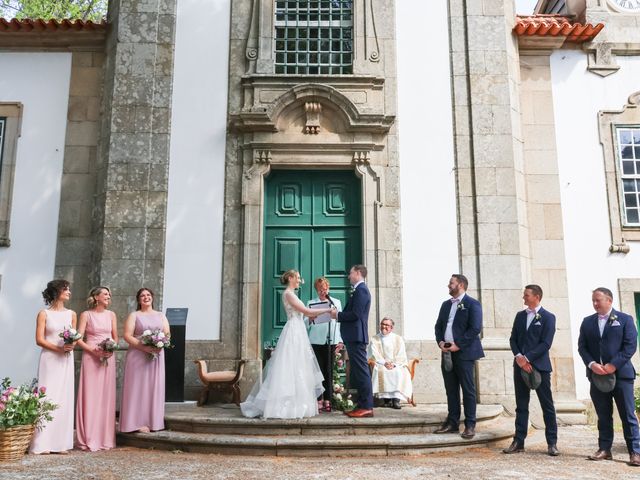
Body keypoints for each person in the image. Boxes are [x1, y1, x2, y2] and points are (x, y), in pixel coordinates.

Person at [241, 269, 332, 418]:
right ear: (290, 278)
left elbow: (306, 314)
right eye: (297, 278)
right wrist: (328, 309)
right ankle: (284, 405)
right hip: (293, 332)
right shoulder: (288, 294)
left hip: (298, 331)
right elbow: (307, 311)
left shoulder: (292, 294)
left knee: (298, 367)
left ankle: (297, 404)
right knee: (290, 366)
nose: (299, 280)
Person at [577, 287, 640, 467]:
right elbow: (582, 347)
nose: (595, 304)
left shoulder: (625, 320)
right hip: (597, 376)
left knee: (628, 415)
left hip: (621, 376)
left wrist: (613, 364)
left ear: (609, 300)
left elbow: (630, 346)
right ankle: (605, 449)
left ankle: (635, 452)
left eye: (598, 300)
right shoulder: (587, 322)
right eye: (593, 301)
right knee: (603, 415)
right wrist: (592, 364)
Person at [503, 285, 559, 456]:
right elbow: (513, 339)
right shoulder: (520, 316)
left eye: (526, 295)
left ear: (537, 296)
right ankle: (518, 441)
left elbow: (546, 343)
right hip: (519, 367)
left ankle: (552, 443)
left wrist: (528, 359)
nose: (524, 298)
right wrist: (519, 358)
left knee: (547, 405)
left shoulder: (549, 317)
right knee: (521, 406)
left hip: (539, 367)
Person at [434, 274, 484, 439]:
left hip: (464, 353)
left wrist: (458, 344)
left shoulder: (472, 304)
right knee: (451, 389)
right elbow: (439, 326)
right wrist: (441, 342)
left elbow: (475, 328)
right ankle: (452, 422)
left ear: (460, 285)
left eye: (451, 283)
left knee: (468, 390)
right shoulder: (445, 305)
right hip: (447, 352)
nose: (448, 285)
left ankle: (470, 425)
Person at [30, 279, 77, 454]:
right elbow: (39, 340)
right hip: (49, 359)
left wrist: (71, 345)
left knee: (64, 397)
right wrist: (58, 348)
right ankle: (42, 443)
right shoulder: (44, 314)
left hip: (66, 359)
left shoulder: (72, 313)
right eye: (66, 289)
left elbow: (74, 336)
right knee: (47, 397)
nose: (69, 292)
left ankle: (60, 443)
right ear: (57, 292)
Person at [119, 287, 170, 433]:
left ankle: (153, 421)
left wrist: (161, 343)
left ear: (152, 297)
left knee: (154, 387)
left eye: (148, 295)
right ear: (138, 299)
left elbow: (167, 334)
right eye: (142, 295)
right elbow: (128, 336)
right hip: (138, 355)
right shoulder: (134, 315)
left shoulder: (161, 315)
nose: (146, 297)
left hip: (157, 355)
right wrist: (144, 347)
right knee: (137, 388)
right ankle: (135, 423)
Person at [75, 286, 118, 451]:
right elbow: (79, 338)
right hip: (91, 355)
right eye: (106, 294)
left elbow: (115, 337)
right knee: (90, 395)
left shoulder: (111, 315)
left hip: (107, 356)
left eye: (109, 294)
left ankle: (104, 437)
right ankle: (88, 437)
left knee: (106, 396)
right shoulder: (86, 315)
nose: (109, 296)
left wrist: (110, 348)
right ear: (96, 297)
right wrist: (93, 350)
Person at [330, 264, 374, 418]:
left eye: (350, 273)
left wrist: (338, 315)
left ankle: (367, 406)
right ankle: (362, 404)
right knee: (359, 371)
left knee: (362, 372)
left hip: (357, 337)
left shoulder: (361, 291)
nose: (348, 276)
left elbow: (356, 314)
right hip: (354, 337)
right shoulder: (359, 290)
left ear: (357, 273)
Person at [305, 276, 343, 413]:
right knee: (317, 372)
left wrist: (340, 340)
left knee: (328, 371)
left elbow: (339, 323)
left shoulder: (336, 302)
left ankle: (328, 400)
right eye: (320, 289)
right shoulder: (311, 303)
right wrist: (310, 318)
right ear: (317, 290)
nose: (323, 291)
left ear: (329, 289)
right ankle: (318, 400)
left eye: (325, 289)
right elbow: (305, 322)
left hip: (331, 341)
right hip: (316, 340)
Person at [368, 317, 412, 409]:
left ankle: (396, 400)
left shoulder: (398, 339)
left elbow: (401, 354)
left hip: (396, 364)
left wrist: (394, 364)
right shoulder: (374, 339)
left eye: (387, 325)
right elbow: (374, 354)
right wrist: (384, 363)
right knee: (382, 371)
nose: (384, 326)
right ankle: (386, 400)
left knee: (399, 372)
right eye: (382, 324)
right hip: (381, 364)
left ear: (391, 328)